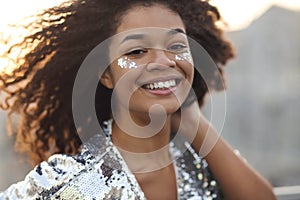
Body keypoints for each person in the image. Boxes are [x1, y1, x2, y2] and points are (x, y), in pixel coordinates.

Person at [0, 0, 276, 199]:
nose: (163, 61)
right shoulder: (72, 182)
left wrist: (195, 123)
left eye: (177, 46)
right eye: (137, 51)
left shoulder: (198, 161)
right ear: (106, 75)